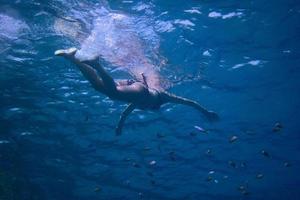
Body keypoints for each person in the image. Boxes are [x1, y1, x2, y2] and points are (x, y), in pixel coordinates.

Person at [55, 47, 219, 135]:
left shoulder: (139, 104)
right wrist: (206, 112)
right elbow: (188, 102)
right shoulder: (163, 97)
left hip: (137, 89)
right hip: (142, 90)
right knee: (113, 93)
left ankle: (72, 57)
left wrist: (119, 127)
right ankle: (96, 63)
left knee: (99, 87)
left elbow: (125, 113)